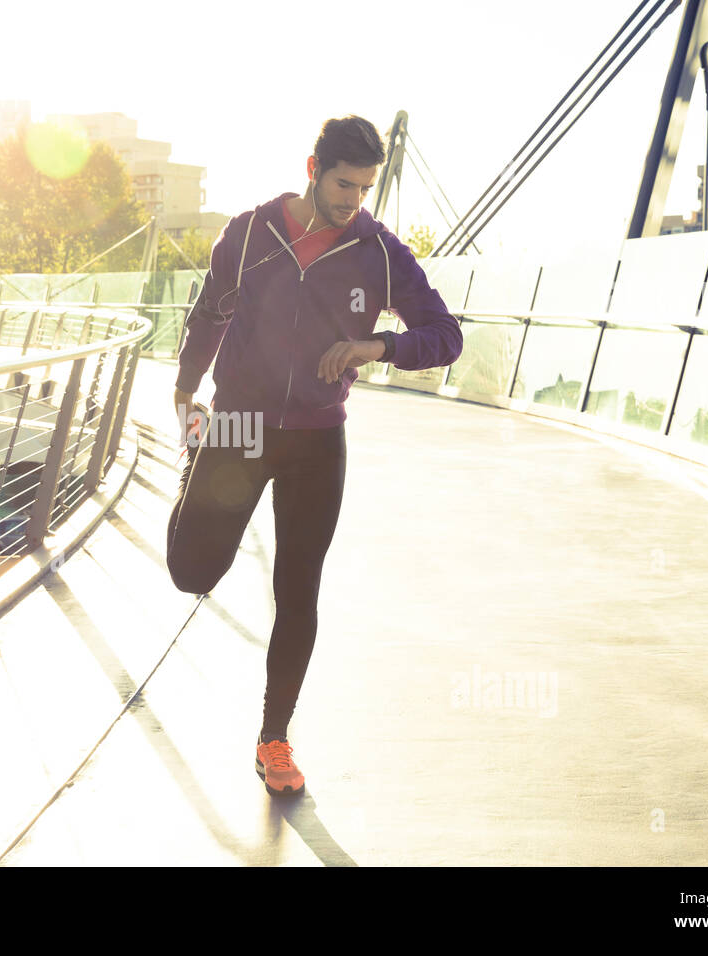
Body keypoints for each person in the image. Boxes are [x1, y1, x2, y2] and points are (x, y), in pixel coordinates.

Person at [165, 115, 463, 796]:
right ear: (312, 168)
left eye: (364, 188)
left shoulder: (380, 252)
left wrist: (376, 347)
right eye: (342, 185)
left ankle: (275, 739)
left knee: (298, 590)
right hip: (236, 424)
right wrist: (186, 391)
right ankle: (192, 475)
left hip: (317, 438)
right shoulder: (249, 234)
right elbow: (210, 311)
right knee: (193, 573)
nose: (353, 201)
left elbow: (445, 336)